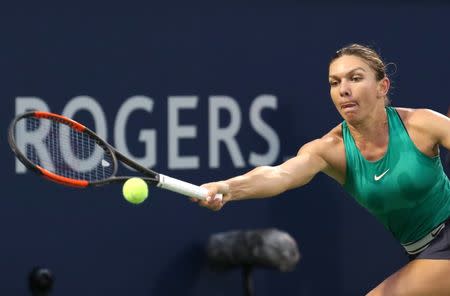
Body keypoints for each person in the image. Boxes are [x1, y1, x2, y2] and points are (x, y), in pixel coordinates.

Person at [193, 44, 450, 295]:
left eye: (355, 78)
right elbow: (280, 175)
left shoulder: (422, 124)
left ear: (382, 86)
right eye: (334, 82)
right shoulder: (329, 150)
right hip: (422, 251)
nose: (344, 90)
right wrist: (228, 188)